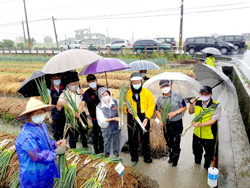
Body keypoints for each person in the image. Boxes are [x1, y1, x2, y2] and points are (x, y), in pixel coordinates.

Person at [15, 98, 67, 188]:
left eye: (42, 112)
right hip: (33, 176)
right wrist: (56, 152)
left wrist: (54, 145)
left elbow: (44, 143)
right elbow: (36, 156)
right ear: (30, 115)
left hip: (46, 172)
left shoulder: (42, 125)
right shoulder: (26, 134)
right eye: (37, 113)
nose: (40, 115)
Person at [124, 72, 155, 166]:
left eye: (138, 82)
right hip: (132, 118)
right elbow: (124, 105)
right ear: (131, 83)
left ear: (141, 82)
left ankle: (147, 158)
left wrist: (147, 117)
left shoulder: (147, 93)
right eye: (134, 83)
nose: (136, 85)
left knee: (145, 139)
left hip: (143, 117)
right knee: (132, 140)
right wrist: (127, 110)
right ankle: (134, 158)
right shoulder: (128, 93)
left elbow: (151, 106)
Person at [155, 80, 187, 167]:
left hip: (177, 123)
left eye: (166, 85)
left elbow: (184, 107)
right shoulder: (159, 98)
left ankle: (176, 159)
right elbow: (157, 110)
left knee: (176, 142)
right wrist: (161, 119)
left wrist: (175, 112)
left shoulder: (177, 95)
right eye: (163, 86)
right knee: (168, 142)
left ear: (169, 85)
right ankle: (171, 156)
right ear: (160, 88)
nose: (165, 87)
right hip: (166, 124)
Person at [189, 86, 221, 170]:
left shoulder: (215, 105)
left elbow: (213, 121)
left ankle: (206, 167)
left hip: (209, 135)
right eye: (201, 94)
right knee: (196, 152)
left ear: (210, 95)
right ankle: (197, 164)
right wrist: (191, 104)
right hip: (197, 133)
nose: (203, 96)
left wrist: (200, 124)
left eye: (206, 94)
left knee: (209, 154)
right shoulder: (198, 102)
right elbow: (190, 112)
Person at [57, 71, 88, 149]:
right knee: (73, 134)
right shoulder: (65, 94)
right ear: (68, 84)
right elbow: (58, 103)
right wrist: (62, 103)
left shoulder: (80, 92)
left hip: (82, 115)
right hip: (72, 116)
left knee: (84, 133)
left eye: (75, 83)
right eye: (72, 84)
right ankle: (73, 150)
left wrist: (83, 95)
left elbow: (85, 103)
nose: (74, 85)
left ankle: (85, 147)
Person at [78, 74, 104, 154]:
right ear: (88, 83)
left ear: (96, 80)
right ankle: (96, 151)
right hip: (94, 117)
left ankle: (103, 150)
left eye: (93, 81)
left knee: (103, 134)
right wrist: (79, 110)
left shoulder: (102, 89)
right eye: (90, 82)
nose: (92, 83)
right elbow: (82, 102)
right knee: (95, 134)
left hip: (104, 116)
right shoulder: (87, 93)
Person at [96, 87, 122, 157]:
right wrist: (113, 119)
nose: (105, 97)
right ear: (100, 97)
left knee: (116, 142)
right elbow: (102, 120)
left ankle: (116, 156)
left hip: (116, 127)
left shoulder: (116, 101)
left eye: (106, 94)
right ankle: (106, 156)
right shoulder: (99, 107)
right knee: (107, 143)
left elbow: (121, 110)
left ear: (109, 94)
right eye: (103, 95)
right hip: (106, 128)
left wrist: (123, 107)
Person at [47, 74, 66, 141]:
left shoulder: (64, 88)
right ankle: (56, 144)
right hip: (54, 112)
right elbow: (49, 101)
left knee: (63, 129)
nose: (57, 80)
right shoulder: (49, 90)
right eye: (55, 79)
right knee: (56, 129)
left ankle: (63, 143)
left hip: (64, 111)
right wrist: (50, 110)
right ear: (51, 80)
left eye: (58, 78)